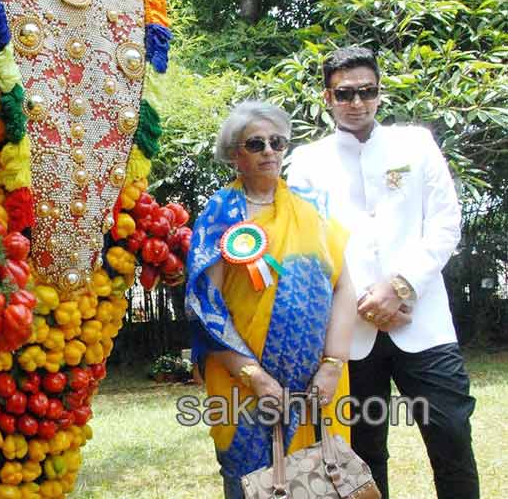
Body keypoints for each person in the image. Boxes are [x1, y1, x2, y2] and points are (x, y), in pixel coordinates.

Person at [287, 45, 479, 499]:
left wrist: (400, 286)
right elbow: (306, 246)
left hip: (422, 321)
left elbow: (446, 222)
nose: (357, 103)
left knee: (451, 435)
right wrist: (363, 302)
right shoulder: (307, 162)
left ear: (379, 93)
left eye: (366, 92)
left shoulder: (416, 144)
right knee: (362, 452)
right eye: (345, 93)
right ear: (327, 97)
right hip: (348, 335)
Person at [185, 101, 357, 499]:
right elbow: (204, 305)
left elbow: (344, 287)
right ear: (235, 156)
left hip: (317, 384)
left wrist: (333, 365)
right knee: (252, 485)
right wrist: (254, 376)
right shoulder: (218, 214)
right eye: (256, 143)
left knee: (323, 483)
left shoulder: (312, 208)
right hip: (242, 386)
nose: (269, 151)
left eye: (277, 142)